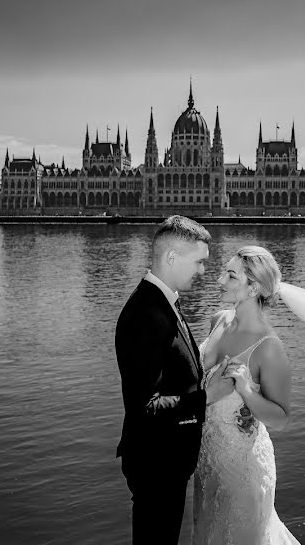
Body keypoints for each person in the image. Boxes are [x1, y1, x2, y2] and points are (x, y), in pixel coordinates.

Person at [115, 215, 235, 545]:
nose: (203, 271)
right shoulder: (146, 315)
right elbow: (146, 407)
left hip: (166, 461)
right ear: (171, 257)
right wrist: (208, 396)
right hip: (156, 465)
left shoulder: (164, 301)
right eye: (198, 262)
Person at [193, 245, 300, 544]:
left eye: (230, 275)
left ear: (253, 287)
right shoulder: (219, 320)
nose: (219, 281)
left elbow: (281, 418)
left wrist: (246, 393)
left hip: (243, 470)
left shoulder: (269, 348)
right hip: (207, 464)